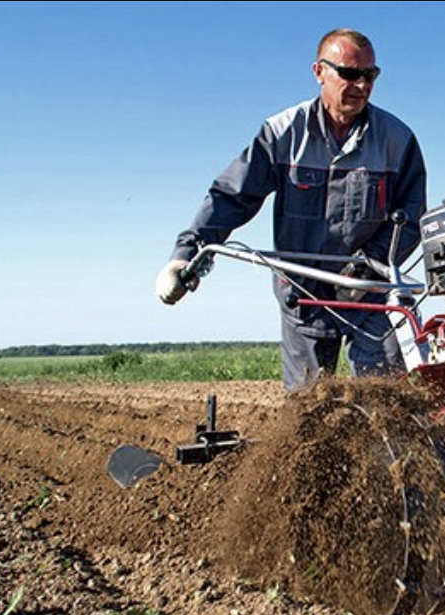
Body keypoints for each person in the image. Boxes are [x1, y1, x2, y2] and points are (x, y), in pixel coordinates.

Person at [155, 28, 427, 392]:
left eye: (370, 76)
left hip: (368, 291)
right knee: (308, 412)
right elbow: (232, 196)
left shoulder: (397, 140)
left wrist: (366, 265)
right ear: (319, 72)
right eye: (348, 74)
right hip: (305, 293)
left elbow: (410, 215)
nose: (360, 85)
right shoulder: (282, 134)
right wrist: (184, 255)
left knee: (389, 398)